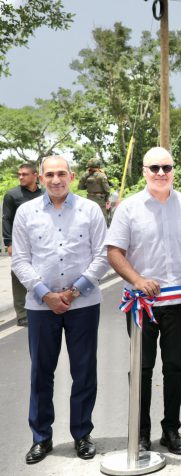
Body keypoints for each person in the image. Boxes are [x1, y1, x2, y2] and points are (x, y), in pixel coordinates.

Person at [11, 156, 109, 464]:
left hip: (83, 304)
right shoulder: (25, 213)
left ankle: (82, 434)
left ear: (73, 176)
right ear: (40, 178)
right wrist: (45, 294)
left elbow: (102, 255)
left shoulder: (90, 210)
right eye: (50, 174)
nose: (56, 179)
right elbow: (19, 260)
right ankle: (42, 437)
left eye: (61, 173)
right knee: (41, 373)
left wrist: (75, 289)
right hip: (41, 306)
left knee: (83, 372)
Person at [106, 147, 181, 455]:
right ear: (144, 171)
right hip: (140, 305)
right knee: (142, 369)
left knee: (175, 367)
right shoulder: (129, 208)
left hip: (179, 302)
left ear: (173, 169)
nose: (161, 173)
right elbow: (114, 252)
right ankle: (142, 432)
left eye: (167, 167)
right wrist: (137, 280)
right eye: (155, 168)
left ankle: (171, 429)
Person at [3, 162, 44, 327]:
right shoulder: (12, 195)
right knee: (19, 276)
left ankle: (41, 307)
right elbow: (6, 220)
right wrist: (8, 243)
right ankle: (22, 314)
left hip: (40, 242)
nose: (20, 177)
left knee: (39, 273)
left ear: (35, 175)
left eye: (24, 174)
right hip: (20, 242)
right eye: (19, 174)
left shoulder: (44, 194)